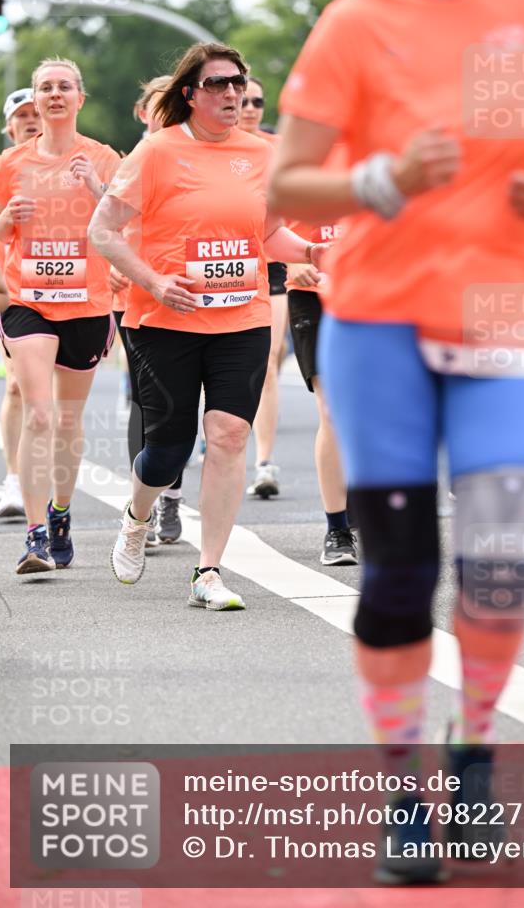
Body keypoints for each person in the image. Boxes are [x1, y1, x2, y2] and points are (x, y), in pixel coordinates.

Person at [270, 0, 524, 884]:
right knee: (400, 570)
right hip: (380, 320)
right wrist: (384, 177)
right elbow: (288, 185)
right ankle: (403, 793)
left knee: (503, 557)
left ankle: (473, 755)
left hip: (504, 310)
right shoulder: (356, 21)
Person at [88, 42, 328, 610]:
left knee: (228, 435)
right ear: (190, 94)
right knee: (167, 452)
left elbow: (267, 235)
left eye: (238, 82)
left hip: (242, 318)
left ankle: (209, 570)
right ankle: (137, 515)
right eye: (218, 83)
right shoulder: (157, 151)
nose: (232, 92)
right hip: (164, 321)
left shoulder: (263, 153)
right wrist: (153, 281)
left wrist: (311, 252)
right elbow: (103, 230)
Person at [0, 58, 120, 574]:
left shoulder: (103, 157)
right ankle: (35, 536)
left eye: (64, 86)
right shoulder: (9, 163)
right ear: (36, 99)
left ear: (79, 99)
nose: (55, 94)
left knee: (67, 418)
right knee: (39, 414)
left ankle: (60, 511)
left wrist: (97, 189)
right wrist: (3, 219)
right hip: (28, 301)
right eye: (45, 87)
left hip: (86, 303)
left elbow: (131, 222)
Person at [111, 74, 185, 545]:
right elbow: (102, 225)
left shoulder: (195, 156)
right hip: (135, 298)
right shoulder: (132, 160)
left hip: (182, 293)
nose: (167, 113)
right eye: (159, 106)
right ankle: (149, 502)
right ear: (143, 112)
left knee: (182, 404)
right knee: (144, 401)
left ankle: (171, 495)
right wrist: (110, 267)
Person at [286, 146, 358, 565]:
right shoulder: (292, 152)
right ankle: (337, 530)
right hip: (312, 294)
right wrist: (288, 262)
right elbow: (254, 222)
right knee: (331, 410)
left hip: (369, 294)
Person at [0, 88, 42, 520]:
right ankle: (13, 479)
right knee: (15, 386)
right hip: (15, 290)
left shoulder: (73, 164)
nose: (30, 120)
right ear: (9, 128)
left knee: (55, 398)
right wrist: (3, 219)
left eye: (34, 113)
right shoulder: (2, 168)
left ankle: (47, 479)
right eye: (21, 116)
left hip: (70, 293)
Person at [240, 76, 288, 498]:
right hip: (227, 268)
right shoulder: (212, 147)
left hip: (272, 267)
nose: (251, 109)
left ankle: (264, 462)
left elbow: (294, 206)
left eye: (258, 102)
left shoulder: (277, 149)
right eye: (244, 101)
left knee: (268, 359)